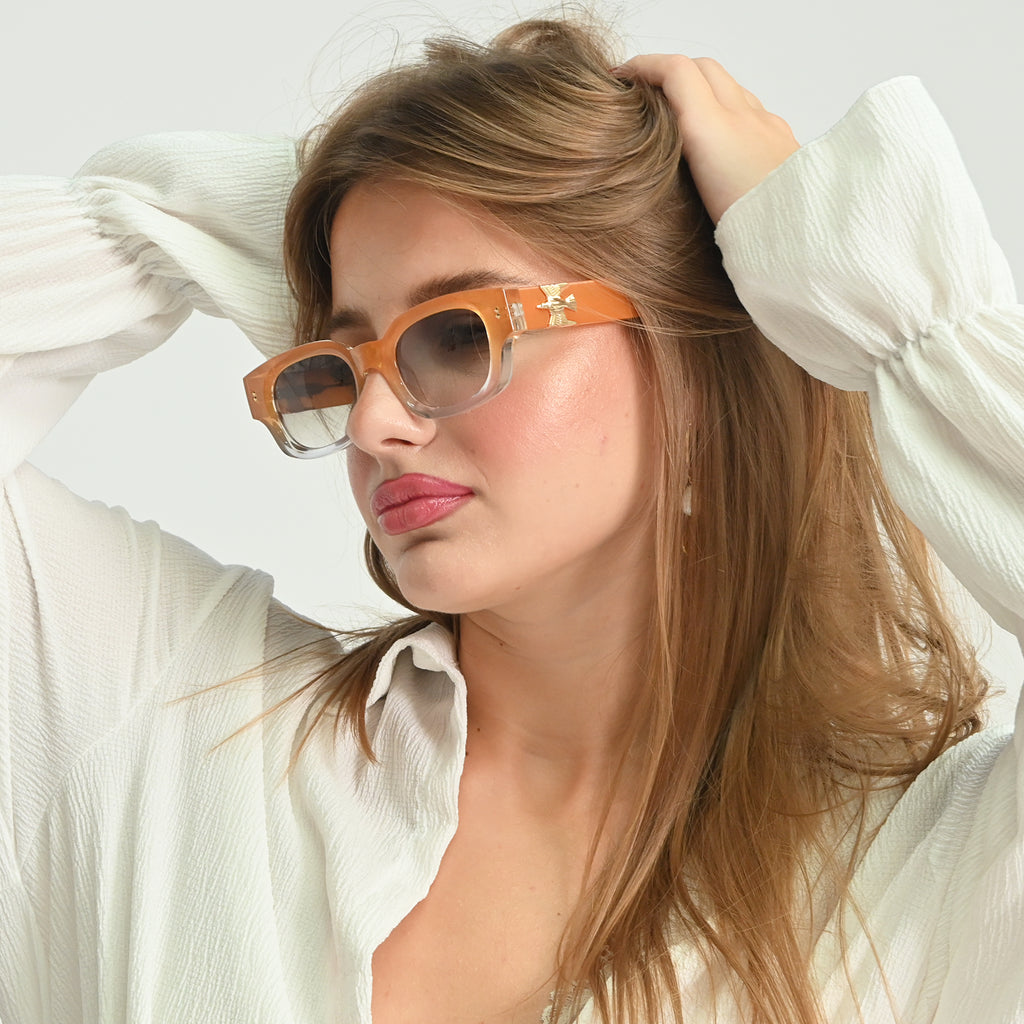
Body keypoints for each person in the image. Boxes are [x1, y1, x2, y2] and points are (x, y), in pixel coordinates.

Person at [1, 15, 1021, 1024]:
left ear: (696, 382)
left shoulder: (927, 875)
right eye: (343, 364)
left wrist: (875, 291)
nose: (373, 421)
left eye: (458, 336)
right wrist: (193, 219)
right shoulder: (164, 727)